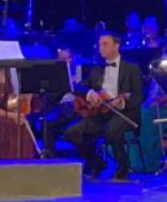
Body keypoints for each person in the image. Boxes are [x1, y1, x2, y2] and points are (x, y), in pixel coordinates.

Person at [66, 32, 143, 180]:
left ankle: (123, 166)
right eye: (99, 44)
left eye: (105, 44)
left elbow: (139, 96)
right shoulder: (96, 70)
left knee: (111, 129)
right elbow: (77, 87)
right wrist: (90, 93)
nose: (100, 48)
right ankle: (96, 161)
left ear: (116, 46)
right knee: (72, 132)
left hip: (126, 114)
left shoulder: (132, 69)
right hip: (101, 113)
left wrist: (122, 102)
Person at [42, 45, 82, 157]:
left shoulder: (80, 71)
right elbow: (50, 97)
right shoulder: (54, 75)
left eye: (68, 58)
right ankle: (49, 156)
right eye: (62, 59)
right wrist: (65, 85)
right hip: (61, 106)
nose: (66, 62)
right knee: (47, 123)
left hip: (78, 105)